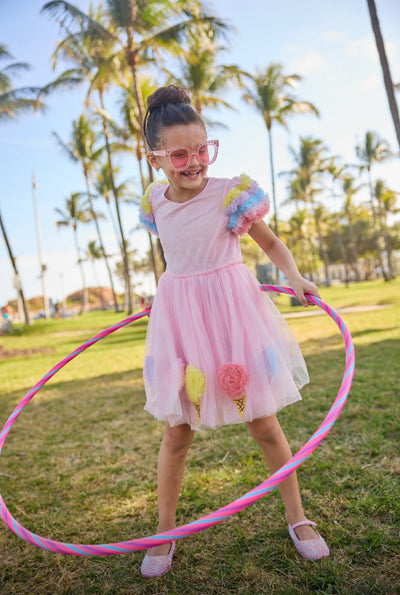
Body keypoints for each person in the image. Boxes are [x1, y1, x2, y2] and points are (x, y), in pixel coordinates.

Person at [138, 85, 329, 578]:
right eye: (179, 154)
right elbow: (176, 259)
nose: (193, 161)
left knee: (263, 422)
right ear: (155, 157)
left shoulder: (229, 192)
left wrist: (294, 277)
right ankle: (164, 532)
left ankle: (298, 518)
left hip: (233, 315)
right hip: (182, 319)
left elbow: (270, 242)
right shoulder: (155, 202)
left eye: (201, 149)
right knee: (177, 432)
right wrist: (162, 297)